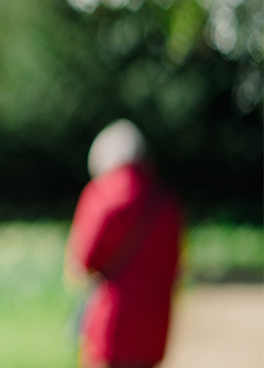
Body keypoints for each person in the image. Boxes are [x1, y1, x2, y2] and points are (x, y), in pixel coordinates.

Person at [65, 119, 182, 368]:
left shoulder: (101, 195)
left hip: (111, 326)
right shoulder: (166, 201)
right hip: (155, 324)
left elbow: (83, 261)